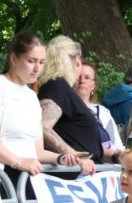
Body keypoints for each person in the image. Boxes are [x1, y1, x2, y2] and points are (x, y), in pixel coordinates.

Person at [0, 32, 91, 178]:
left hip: (25, 177)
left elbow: (37, 152)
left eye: (41, 62)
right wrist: (17, 162)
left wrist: (61, 158)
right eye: (31, 61)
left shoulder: (32, 96)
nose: (37, 69)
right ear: (14, 58)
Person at [37, 35, 102, 167]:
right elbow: (42, 127)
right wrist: (70, 153)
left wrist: (113, 155)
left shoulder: (60, 87)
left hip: (84, 172)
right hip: (73, 175)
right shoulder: (57, 86)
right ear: (75, 60)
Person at [73, 62, 124, 162]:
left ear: (93, 85)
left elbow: (115, 144)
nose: (82, 80)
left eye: (87, 77)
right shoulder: (63, 109)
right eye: (78, 76)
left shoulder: (103, 112)